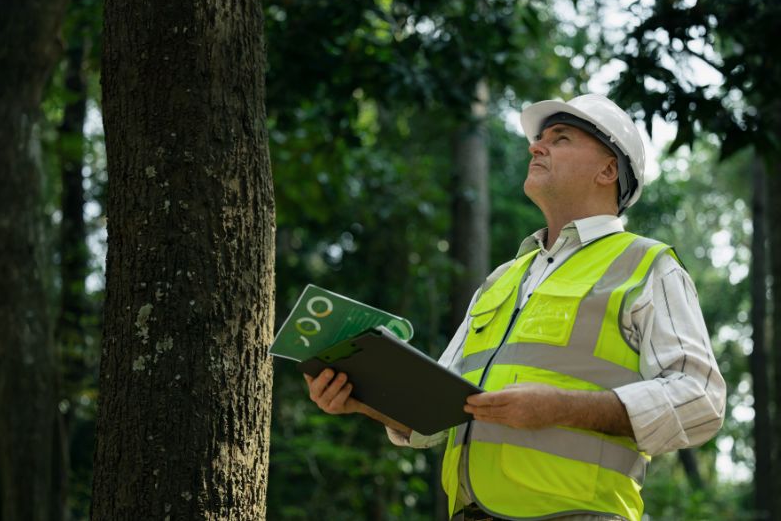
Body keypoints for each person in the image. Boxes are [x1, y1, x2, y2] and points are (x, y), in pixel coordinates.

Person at [304, 94, 726, 520]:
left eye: (560, 139)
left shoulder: (648, 266)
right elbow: (437, 413)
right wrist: (366, 400)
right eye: (539, 139)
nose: (535, 147)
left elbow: (701, 399)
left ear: (608, 169)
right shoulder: (501, 280)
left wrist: (562, 408)